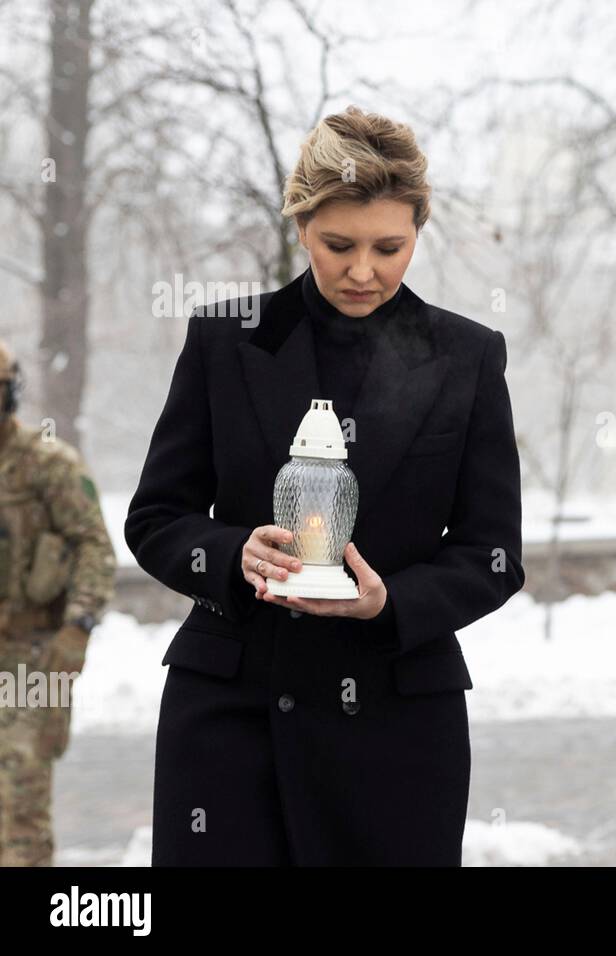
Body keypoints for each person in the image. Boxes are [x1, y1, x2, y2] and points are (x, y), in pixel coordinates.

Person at [125, 106, 525, 865]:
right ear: (302, 224)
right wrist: (232, 553)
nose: (364, 271)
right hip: (227, 724)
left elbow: (492, 554)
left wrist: (391, 602)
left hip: (397, 733)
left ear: (417, 236)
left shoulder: (468, 358)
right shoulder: (224, 339)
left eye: (390, 247)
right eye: (339, 245)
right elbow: (156, 517)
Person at [0, 339, 116, 866]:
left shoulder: (48, 465)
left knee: (19, 805)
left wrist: (79, 627)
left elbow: (94, 546)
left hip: (30, 656)